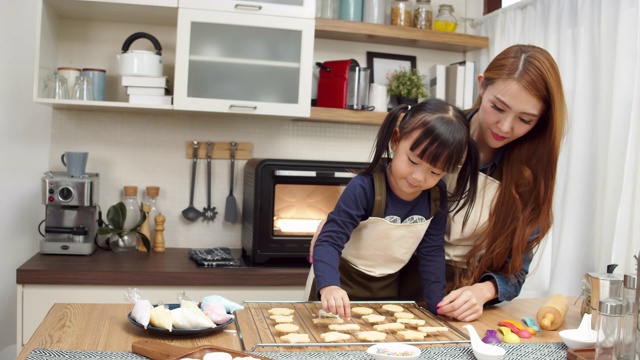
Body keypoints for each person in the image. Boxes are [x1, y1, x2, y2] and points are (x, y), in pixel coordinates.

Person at [400, 44, 568, 322]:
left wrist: (481, 292)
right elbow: (378, 189)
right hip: (394, 281)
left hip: (460, 304)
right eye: (498, 108)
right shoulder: (435, 129)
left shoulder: (529, 175)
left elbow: (515, 272)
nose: (504, 126)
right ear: (482, 87)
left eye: (525, 119)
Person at [306, 98, 480, 320]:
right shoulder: (364, 188)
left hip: (387, 291)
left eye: (435, 172)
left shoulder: (436, 196)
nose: (418, 177)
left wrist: (438, 306)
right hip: (338, 285)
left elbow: (432, 253)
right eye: (413, 161)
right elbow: (329, 241)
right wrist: (329, 286)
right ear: (396, 140)